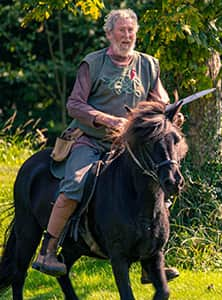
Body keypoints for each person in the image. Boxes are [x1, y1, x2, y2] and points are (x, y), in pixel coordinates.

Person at [32, 8, 179, 282]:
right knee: (74, 184)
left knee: (156, 185)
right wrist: (107, 120)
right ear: (109, 33)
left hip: (129, 146)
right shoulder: (93, 63)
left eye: (131, 30)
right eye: (121, 30)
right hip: (89, 140)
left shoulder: (148, 64)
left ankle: (152, 262)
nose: (127, 36)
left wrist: (170, 114)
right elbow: (74, 105)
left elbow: (161, 101)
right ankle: (48, 250)